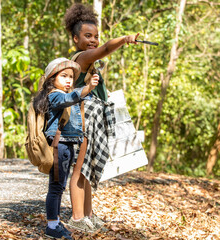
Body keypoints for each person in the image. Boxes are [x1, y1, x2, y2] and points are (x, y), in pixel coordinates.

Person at [64, 3, 139, 233]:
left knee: (88, 169)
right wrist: (125, 39)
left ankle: (87, 214)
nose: (93, 40)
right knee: (79, 167)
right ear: (75, 39)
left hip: (92, 120)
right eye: (87, 36)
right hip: (81, 120)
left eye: (96, 36)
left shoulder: (93, 66)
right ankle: (76, 218)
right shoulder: (82, 57)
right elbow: (105, 48)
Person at [33, 57, 99, 239]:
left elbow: (76, 96)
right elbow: (70, 98)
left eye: (71, 76)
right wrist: (88, 88)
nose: (69, 80)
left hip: (67, 144)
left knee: (59, 186)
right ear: (52, 79)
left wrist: (89, 88)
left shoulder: (64, 92)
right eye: (64, 76)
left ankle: (55, 221)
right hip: (59, 146)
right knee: (56, 187)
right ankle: (52, 226)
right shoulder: (55, 95)